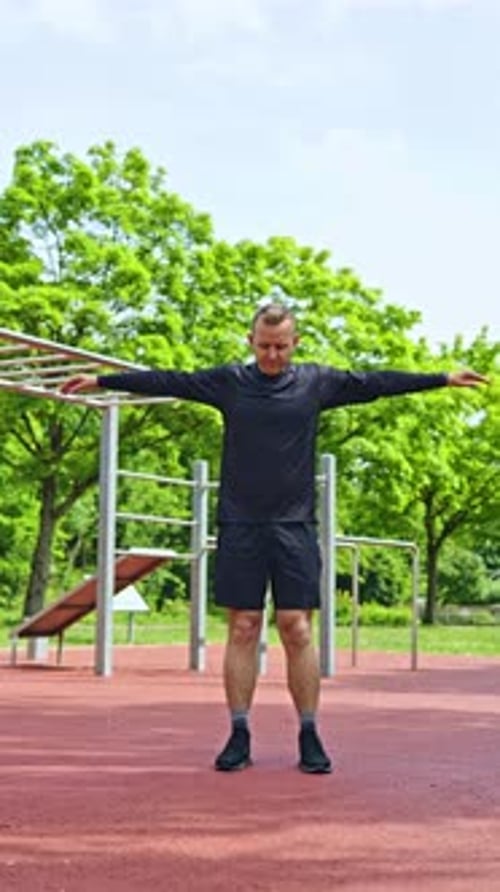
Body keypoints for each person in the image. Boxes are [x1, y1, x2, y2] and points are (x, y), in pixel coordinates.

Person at [61, 303, 488, 774]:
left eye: (281, 346)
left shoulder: (316, 382)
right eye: (264, 346)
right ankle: (239, 733)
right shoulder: (229, 383)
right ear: (250, 342)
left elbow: (375, 383)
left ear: (295, 343)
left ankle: (309, 732)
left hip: (295, 527)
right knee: (243, 625)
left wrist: (443, 377)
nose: (272, 355)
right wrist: (103, 381)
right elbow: (171, 380)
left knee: (296, 627)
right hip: (241, 524)